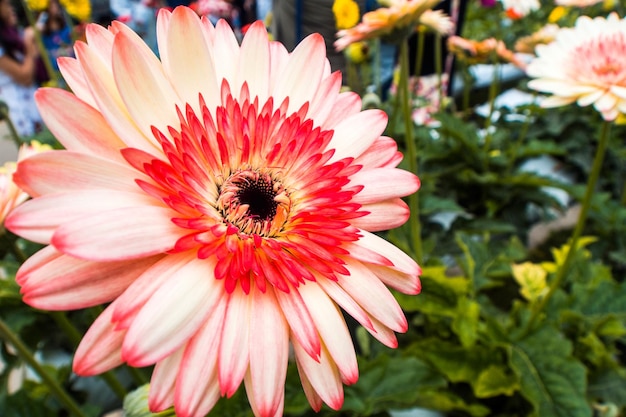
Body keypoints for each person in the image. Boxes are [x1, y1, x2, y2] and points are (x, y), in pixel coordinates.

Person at [0, 0, 44, 137]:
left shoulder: (11, 35)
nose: (11, 8)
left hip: (30, 100)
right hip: (19, 108)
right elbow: (24, 76)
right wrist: (29, 43)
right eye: (6, 4)